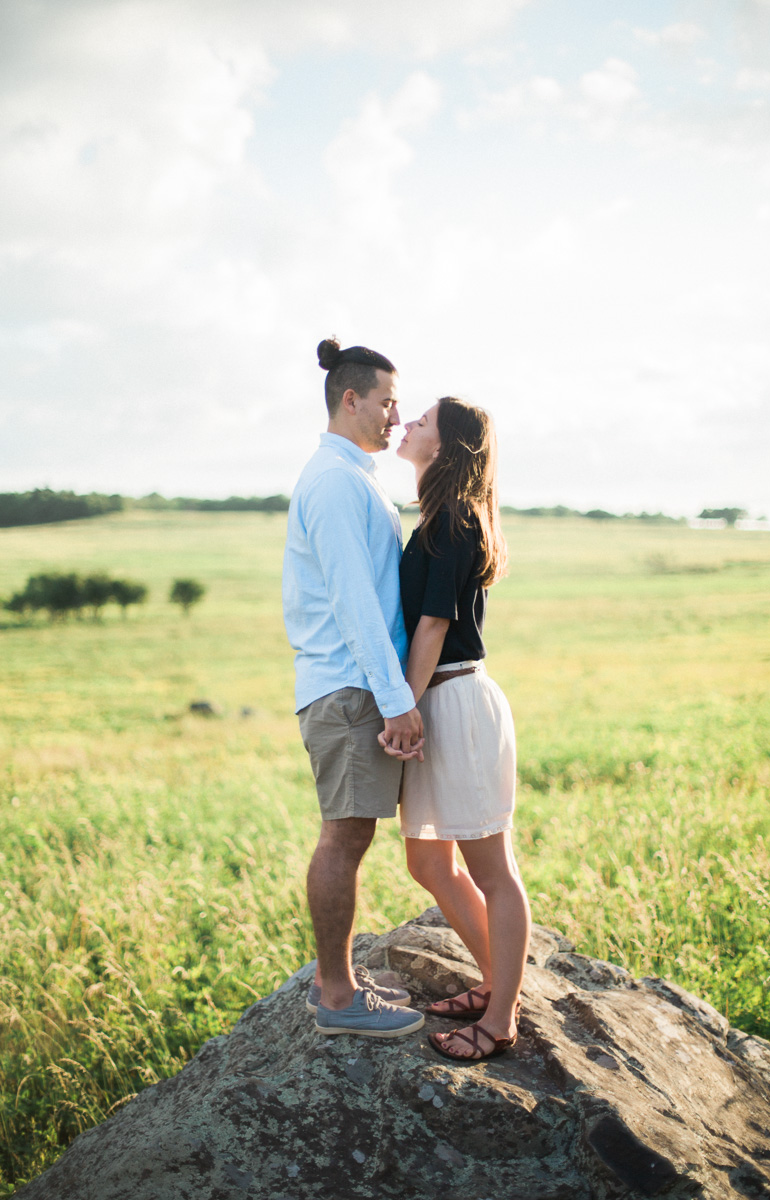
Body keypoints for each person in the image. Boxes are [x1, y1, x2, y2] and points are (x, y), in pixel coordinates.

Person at [282, 337, 425, 1038]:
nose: (396, 416)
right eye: (388, 402)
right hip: (348, 687)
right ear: (351, 398)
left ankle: (335, 976)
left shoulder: (353, 475)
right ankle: (337, 997)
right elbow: (353, 600)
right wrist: (396, 697)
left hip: (350, 682)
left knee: (352, 836)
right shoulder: (337, 482)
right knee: (343, 839)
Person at [383, 396, 532, 1063]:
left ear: (446, 447)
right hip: (437, 701)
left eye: (421, 422)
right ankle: (499, 983)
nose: (407, 426)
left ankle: (502, 1017)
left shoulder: (455, 518)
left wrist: (401, 706)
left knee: (492, 869)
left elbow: (433, 627)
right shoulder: (436, 516)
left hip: (456, 701)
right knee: (426, 861)